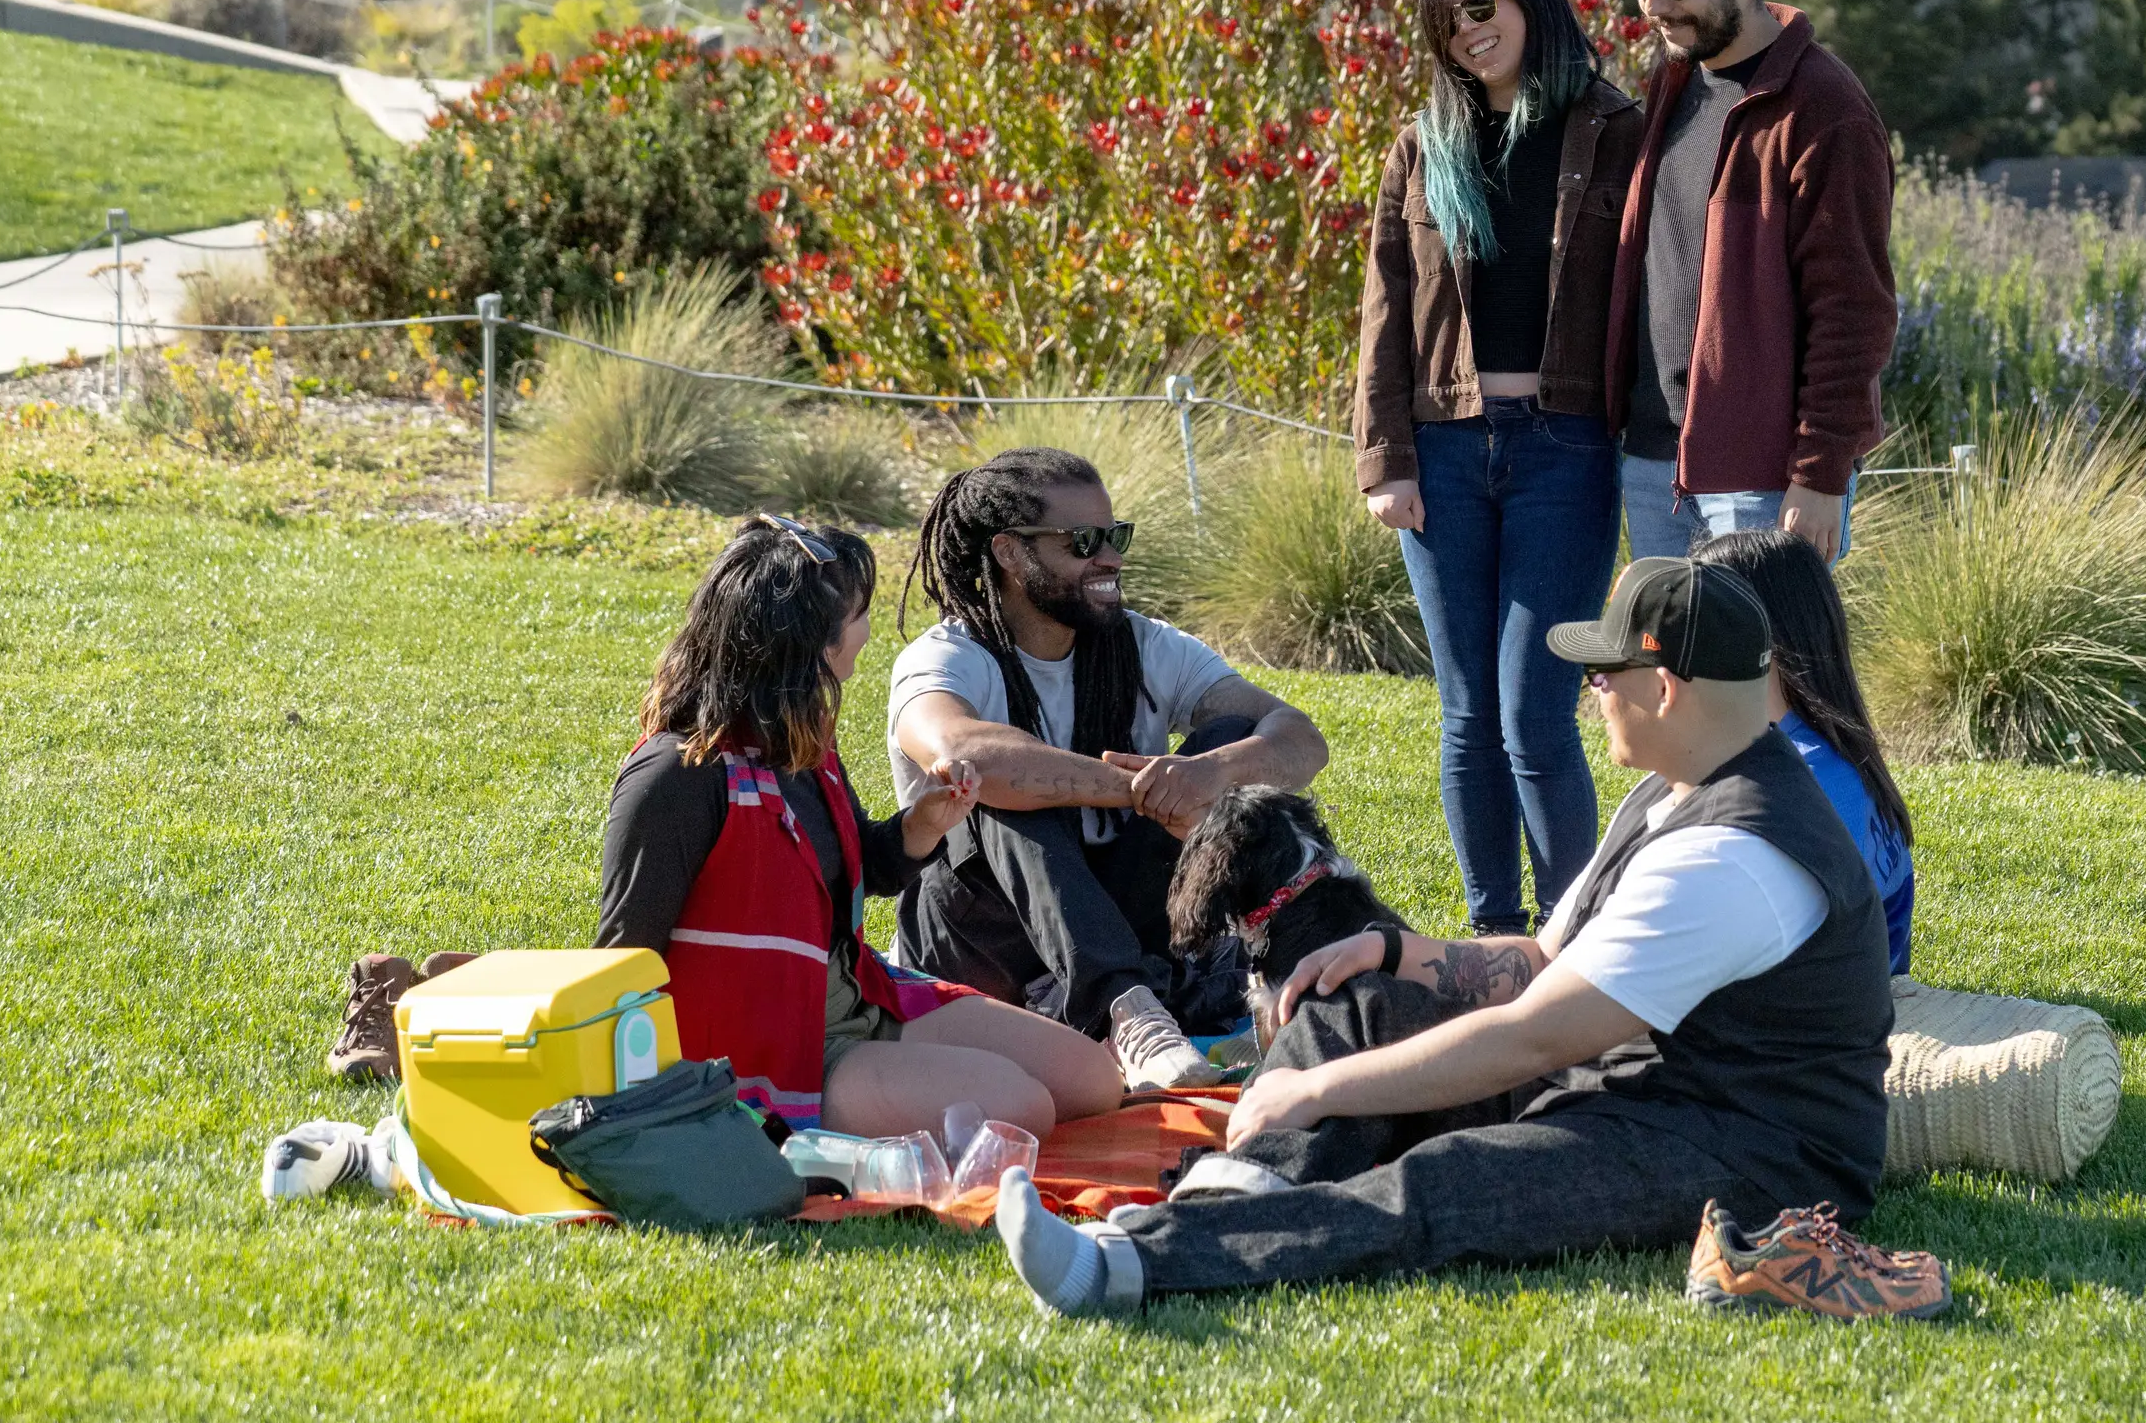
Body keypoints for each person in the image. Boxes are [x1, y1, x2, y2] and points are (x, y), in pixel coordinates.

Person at [991, 555, 1939, 1321]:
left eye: (1603, 672)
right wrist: (1397, 958)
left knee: (1446, 1188)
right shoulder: (1677, 790)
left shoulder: (1736, 855)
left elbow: (1533, 1034)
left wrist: (1313, 1086)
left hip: (1742, 1149)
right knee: (1351, 1002)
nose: (1591, 689)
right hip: (1632, 1081)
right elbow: (1542, 961)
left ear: (1662, 686)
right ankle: (1235, 1198)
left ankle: (1126, 1267)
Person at [600, 517, 1122, 1141]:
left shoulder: (801, 741)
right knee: (1022, 1109)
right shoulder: (675, 776)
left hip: (860, 997)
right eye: (858, 615)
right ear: (817, 645)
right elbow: (624, 959)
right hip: (771, 1050)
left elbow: (863, 871)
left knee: (1093, 1079)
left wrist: (922, 826)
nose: (866, 632)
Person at [1356, 0, 1642, 936]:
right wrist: (1386, 460)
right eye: (1446, 17)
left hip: (1565, 447)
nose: (1468, 30)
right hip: (1442, 448)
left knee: (1537, 712)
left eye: (1483, 3)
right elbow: (1386, 310)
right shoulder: (1421, 145)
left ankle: (1576, 934)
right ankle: (1493, 933)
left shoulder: (1614, 129)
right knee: (1469, 714)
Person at [887, 449, 1330, 1089]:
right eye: (1085, 542)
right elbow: (960, 750)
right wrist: (1138, 789)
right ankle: (1127, 1013)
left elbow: (1300, 738)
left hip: (1118, 918)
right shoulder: (948, 657)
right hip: (980, 941)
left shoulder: (1147, 646)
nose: (1111, 559)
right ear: (1011, 553)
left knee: (1234, 739)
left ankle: (1273, 964)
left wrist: (1209, 771)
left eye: (1115, 536)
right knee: (988, 786)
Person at [1606, 0, 1899, 563]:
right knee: (1667, 674)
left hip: (1762, 483)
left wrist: (1819, 474)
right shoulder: (1673, 84)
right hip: (1653, 464)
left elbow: (1854, 309)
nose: (1653, 7)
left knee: (1765, 675)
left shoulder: (1825, 109)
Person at [1688, 529, 1915, 975]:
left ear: (1758, 641)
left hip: (1814, 1022)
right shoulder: (1829, 755)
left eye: (1699, 626)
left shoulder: (1800, 779)